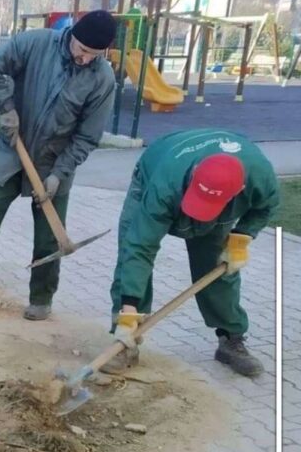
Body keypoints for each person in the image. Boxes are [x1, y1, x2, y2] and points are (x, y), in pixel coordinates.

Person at [0, 10, 117, 320]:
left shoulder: (102, 79)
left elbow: (87, 137)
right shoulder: (36, 44)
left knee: (49, 238)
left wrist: (59, 174)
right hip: (12, 152)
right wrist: (6, 108)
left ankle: (41, 299)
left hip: (55, 163)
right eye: (81, 50)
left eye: (94, 55)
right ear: (73, 36)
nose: (84, 59)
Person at [107, 129, 280, 377]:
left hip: (219, 201)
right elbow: (140, 248)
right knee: (130, 256)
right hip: (157, 172)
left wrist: (241, 238)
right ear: (195, 171)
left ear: (239, 190)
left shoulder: (259, 176)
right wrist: (128, 311)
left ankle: (231, 340)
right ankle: (124, 339)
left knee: (217, 268)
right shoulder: (164, 186)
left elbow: (266, 207)